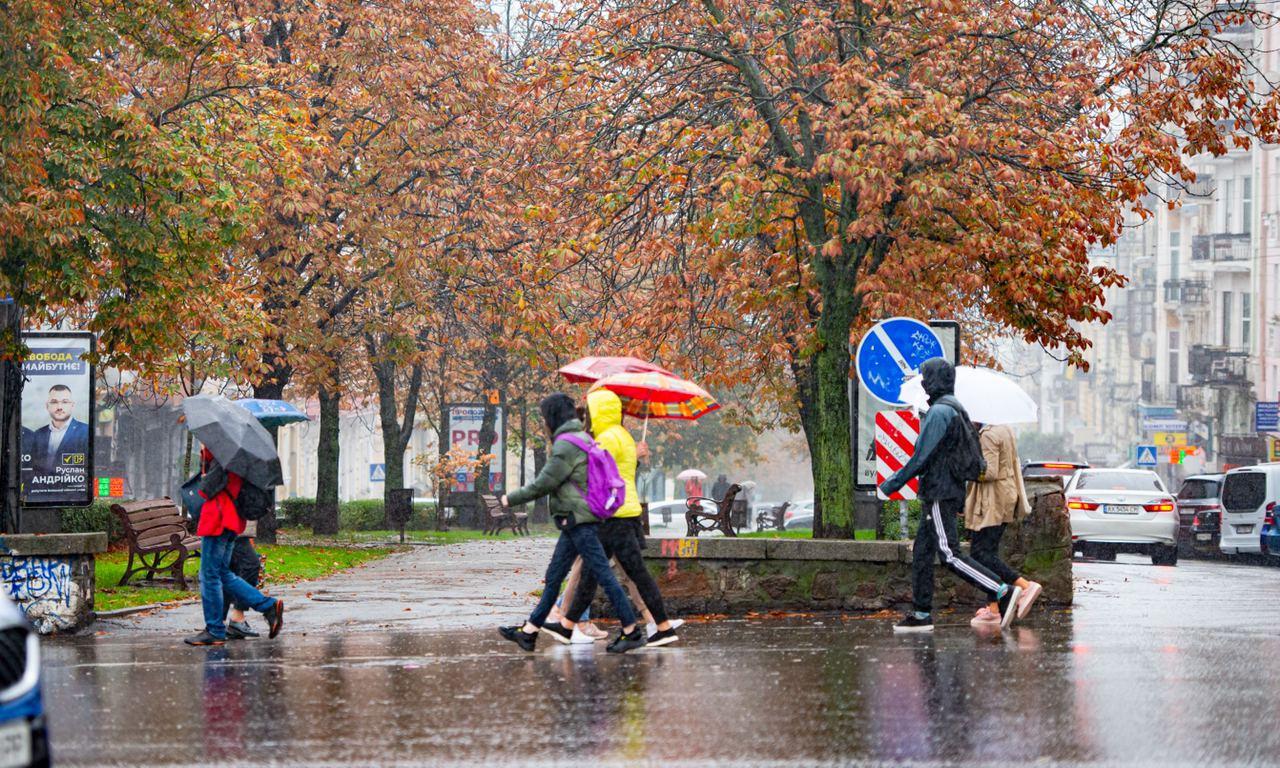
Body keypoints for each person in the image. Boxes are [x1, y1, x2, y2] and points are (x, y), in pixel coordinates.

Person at [879, 358, 1022, 634]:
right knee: (922, 552)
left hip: (940, 492)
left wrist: (892, 484)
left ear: (933, 381)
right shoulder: (954, 409)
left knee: (949, 554)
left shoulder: (940, 413)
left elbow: (922, 457)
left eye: (925, 377)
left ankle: (1001, 590)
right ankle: (921, 613)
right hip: (945, 490)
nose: (922, 382)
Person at [497, 393, 647, 654]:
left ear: (553, 417)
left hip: (580, 521)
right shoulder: (583, 438)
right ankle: (529, 632)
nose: (543, 423)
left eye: (544, 417)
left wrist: (511, 498)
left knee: (603, 575)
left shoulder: (567, 444)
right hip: (573, 519)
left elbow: (545, 482)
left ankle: (632, 630)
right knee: (554, 576)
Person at [552, 390, 680, 647]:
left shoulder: (609, 437)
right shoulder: (620, 435)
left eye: (591, 410)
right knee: (593, 572)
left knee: (630, 574)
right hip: (618, 513)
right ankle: (566, 626)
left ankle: (658, 627)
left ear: (599, 411)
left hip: (614, 516)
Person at [185, 448, 283, 646]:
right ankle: (268, 606)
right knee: (222, 574)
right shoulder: (240, 454)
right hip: (231, 520)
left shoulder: (223, 455)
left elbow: (206, 489)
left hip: (218, 518)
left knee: (209, 575)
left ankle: (214, 630)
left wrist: (205, 471)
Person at [965, 423, 1042, 628]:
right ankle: (993, 608)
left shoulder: (988, 435)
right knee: (987, 553)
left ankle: (1024, 586)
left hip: (992, 501)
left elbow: (988, 472)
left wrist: (964, 467)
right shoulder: (1004, 429)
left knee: (980, 555)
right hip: (1003, 496)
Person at [29, 384, 89, 474]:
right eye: (54, 402)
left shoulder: (85, 431)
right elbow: (33, 467)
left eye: (65, 402)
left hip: (71, 486)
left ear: (72, 405)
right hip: (41, 486)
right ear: (47, 406)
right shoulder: (38, 434)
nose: (59, 407)